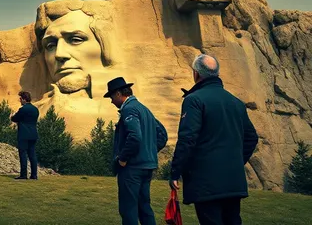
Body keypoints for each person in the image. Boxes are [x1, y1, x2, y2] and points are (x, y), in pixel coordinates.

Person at [169, 54, 258, 225]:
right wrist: (236, 162)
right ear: (217, 73)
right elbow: (251, 138)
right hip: (233, 181)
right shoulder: (236, 102)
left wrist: (175, 172)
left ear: (196, 73)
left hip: (206, 183)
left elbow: (187, 139)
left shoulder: (193, 100)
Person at [106, 77, 168, 225]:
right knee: (144, 207)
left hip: (132, 168)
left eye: (111, 97)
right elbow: (162, 135)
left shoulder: (129, 109)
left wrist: (123, 158)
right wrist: (149, 151)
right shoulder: (144, 109)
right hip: (147, 166)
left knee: (128, 210)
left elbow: (134, 136)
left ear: (119, 94)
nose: (111, 101)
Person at [11, 91, 39, 180]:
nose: (20, 100)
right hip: (33, 134)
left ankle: (23, 175)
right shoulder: (35, 109)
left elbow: (15, 118)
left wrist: (13, 116)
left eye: (20, 99)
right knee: (32, 155)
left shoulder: (23, 109)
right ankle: (34, 175)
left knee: (23, 155)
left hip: (23, 134)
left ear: (23, 99)